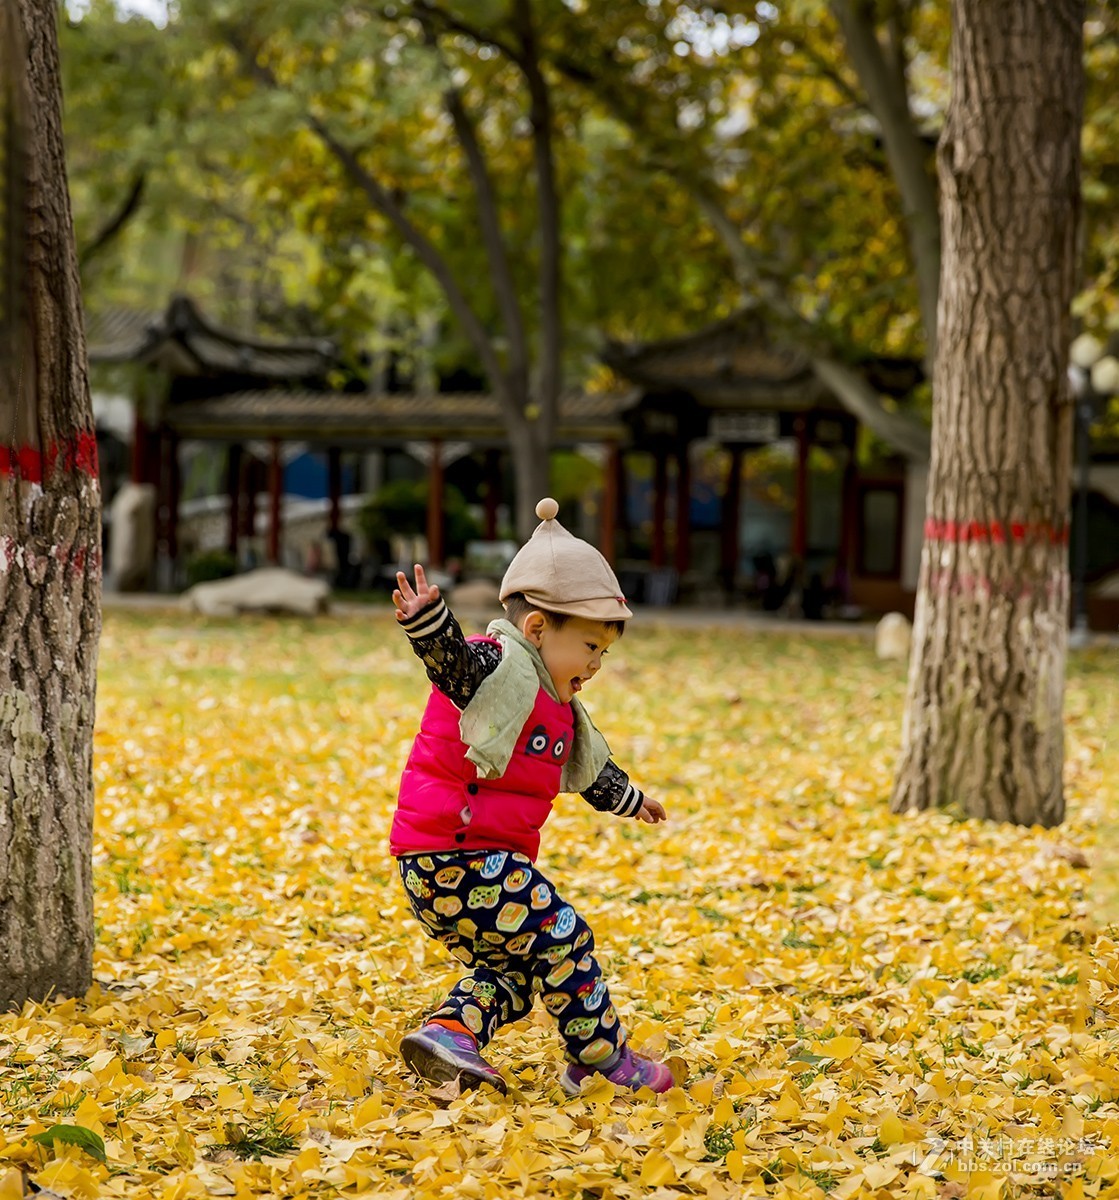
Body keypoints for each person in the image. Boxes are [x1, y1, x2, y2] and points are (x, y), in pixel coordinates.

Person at [390, 497, 675, 1098]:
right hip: (456, 858)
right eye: (590, 647)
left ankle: (451, 1033)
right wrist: (429, 625)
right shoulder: (497, 668)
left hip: (468, 867)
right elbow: (454, 666)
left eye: (605, 652)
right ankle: (599, 1059)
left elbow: (587, 769)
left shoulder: (558, 706)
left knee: (517, 967)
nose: (596, 665)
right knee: (564, 935)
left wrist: (631, 798)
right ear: (538, 628)